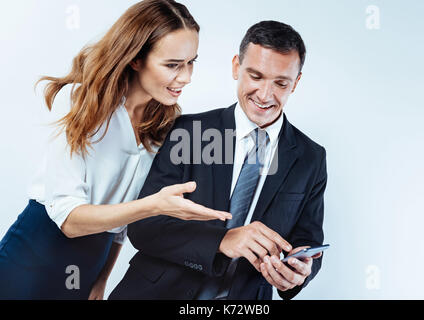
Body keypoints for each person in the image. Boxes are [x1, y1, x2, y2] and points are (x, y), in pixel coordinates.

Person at [0, 0, 231, 300]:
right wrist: (154, 205)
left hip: (89, 265)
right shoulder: (80, 102)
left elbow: (119, 225)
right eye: (173, 65)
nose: (186, 77)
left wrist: (101, 277)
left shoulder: (164, 122)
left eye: (191, 62)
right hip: (33, 258)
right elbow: (68, 220)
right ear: (135, 59)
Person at [109, 20, 327, 300]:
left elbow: (308, 241)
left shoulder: (312, 157)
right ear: (237, 67)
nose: (264, 95)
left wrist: (300, 272)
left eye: (280, 83)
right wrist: (222, 241)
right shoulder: (189, 132)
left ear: (295, 83)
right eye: (256, 76)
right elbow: (144, 226)